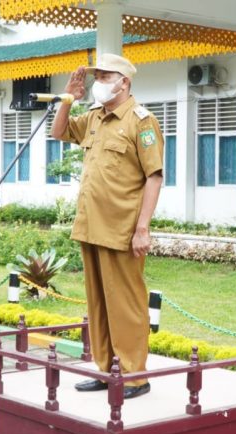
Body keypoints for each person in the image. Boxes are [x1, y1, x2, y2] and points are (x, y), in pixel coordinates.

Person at [50, 53, 164, 400]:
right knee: (98, 302)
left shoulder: (141, 121)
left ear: (123, 82)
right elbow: (58, 132)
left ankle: (134, 376)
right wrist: (68, 99)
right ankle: (106, 370)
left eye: (104, 75)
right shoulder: (95, 117)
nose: (97, 81)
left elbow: (154, 177)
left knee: (126, 303)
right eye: (96, 76)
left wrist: (142, 228)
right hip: (91, 226)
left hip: (121, 230)